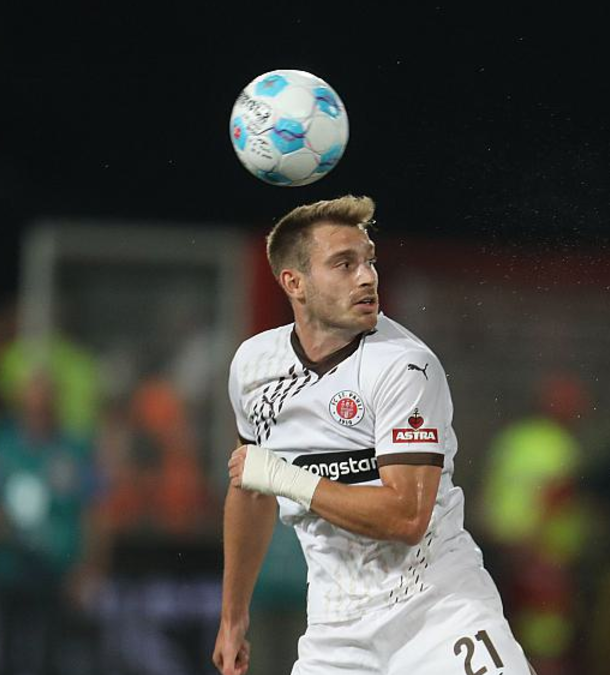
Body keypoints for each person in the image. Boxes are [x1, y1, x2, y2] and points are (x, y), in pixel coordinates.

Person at [213, 196, 533, 675]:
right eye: (344, 264)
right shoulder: (254, 367)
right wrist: (233, 615)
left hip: (438, 612)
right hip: (335, 633)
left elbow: (407, 517)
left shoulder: (404, 365)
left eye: (369, 261)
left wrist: (287, 478)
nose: (367, 277)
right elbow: (252, 491)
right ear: (293, 282)